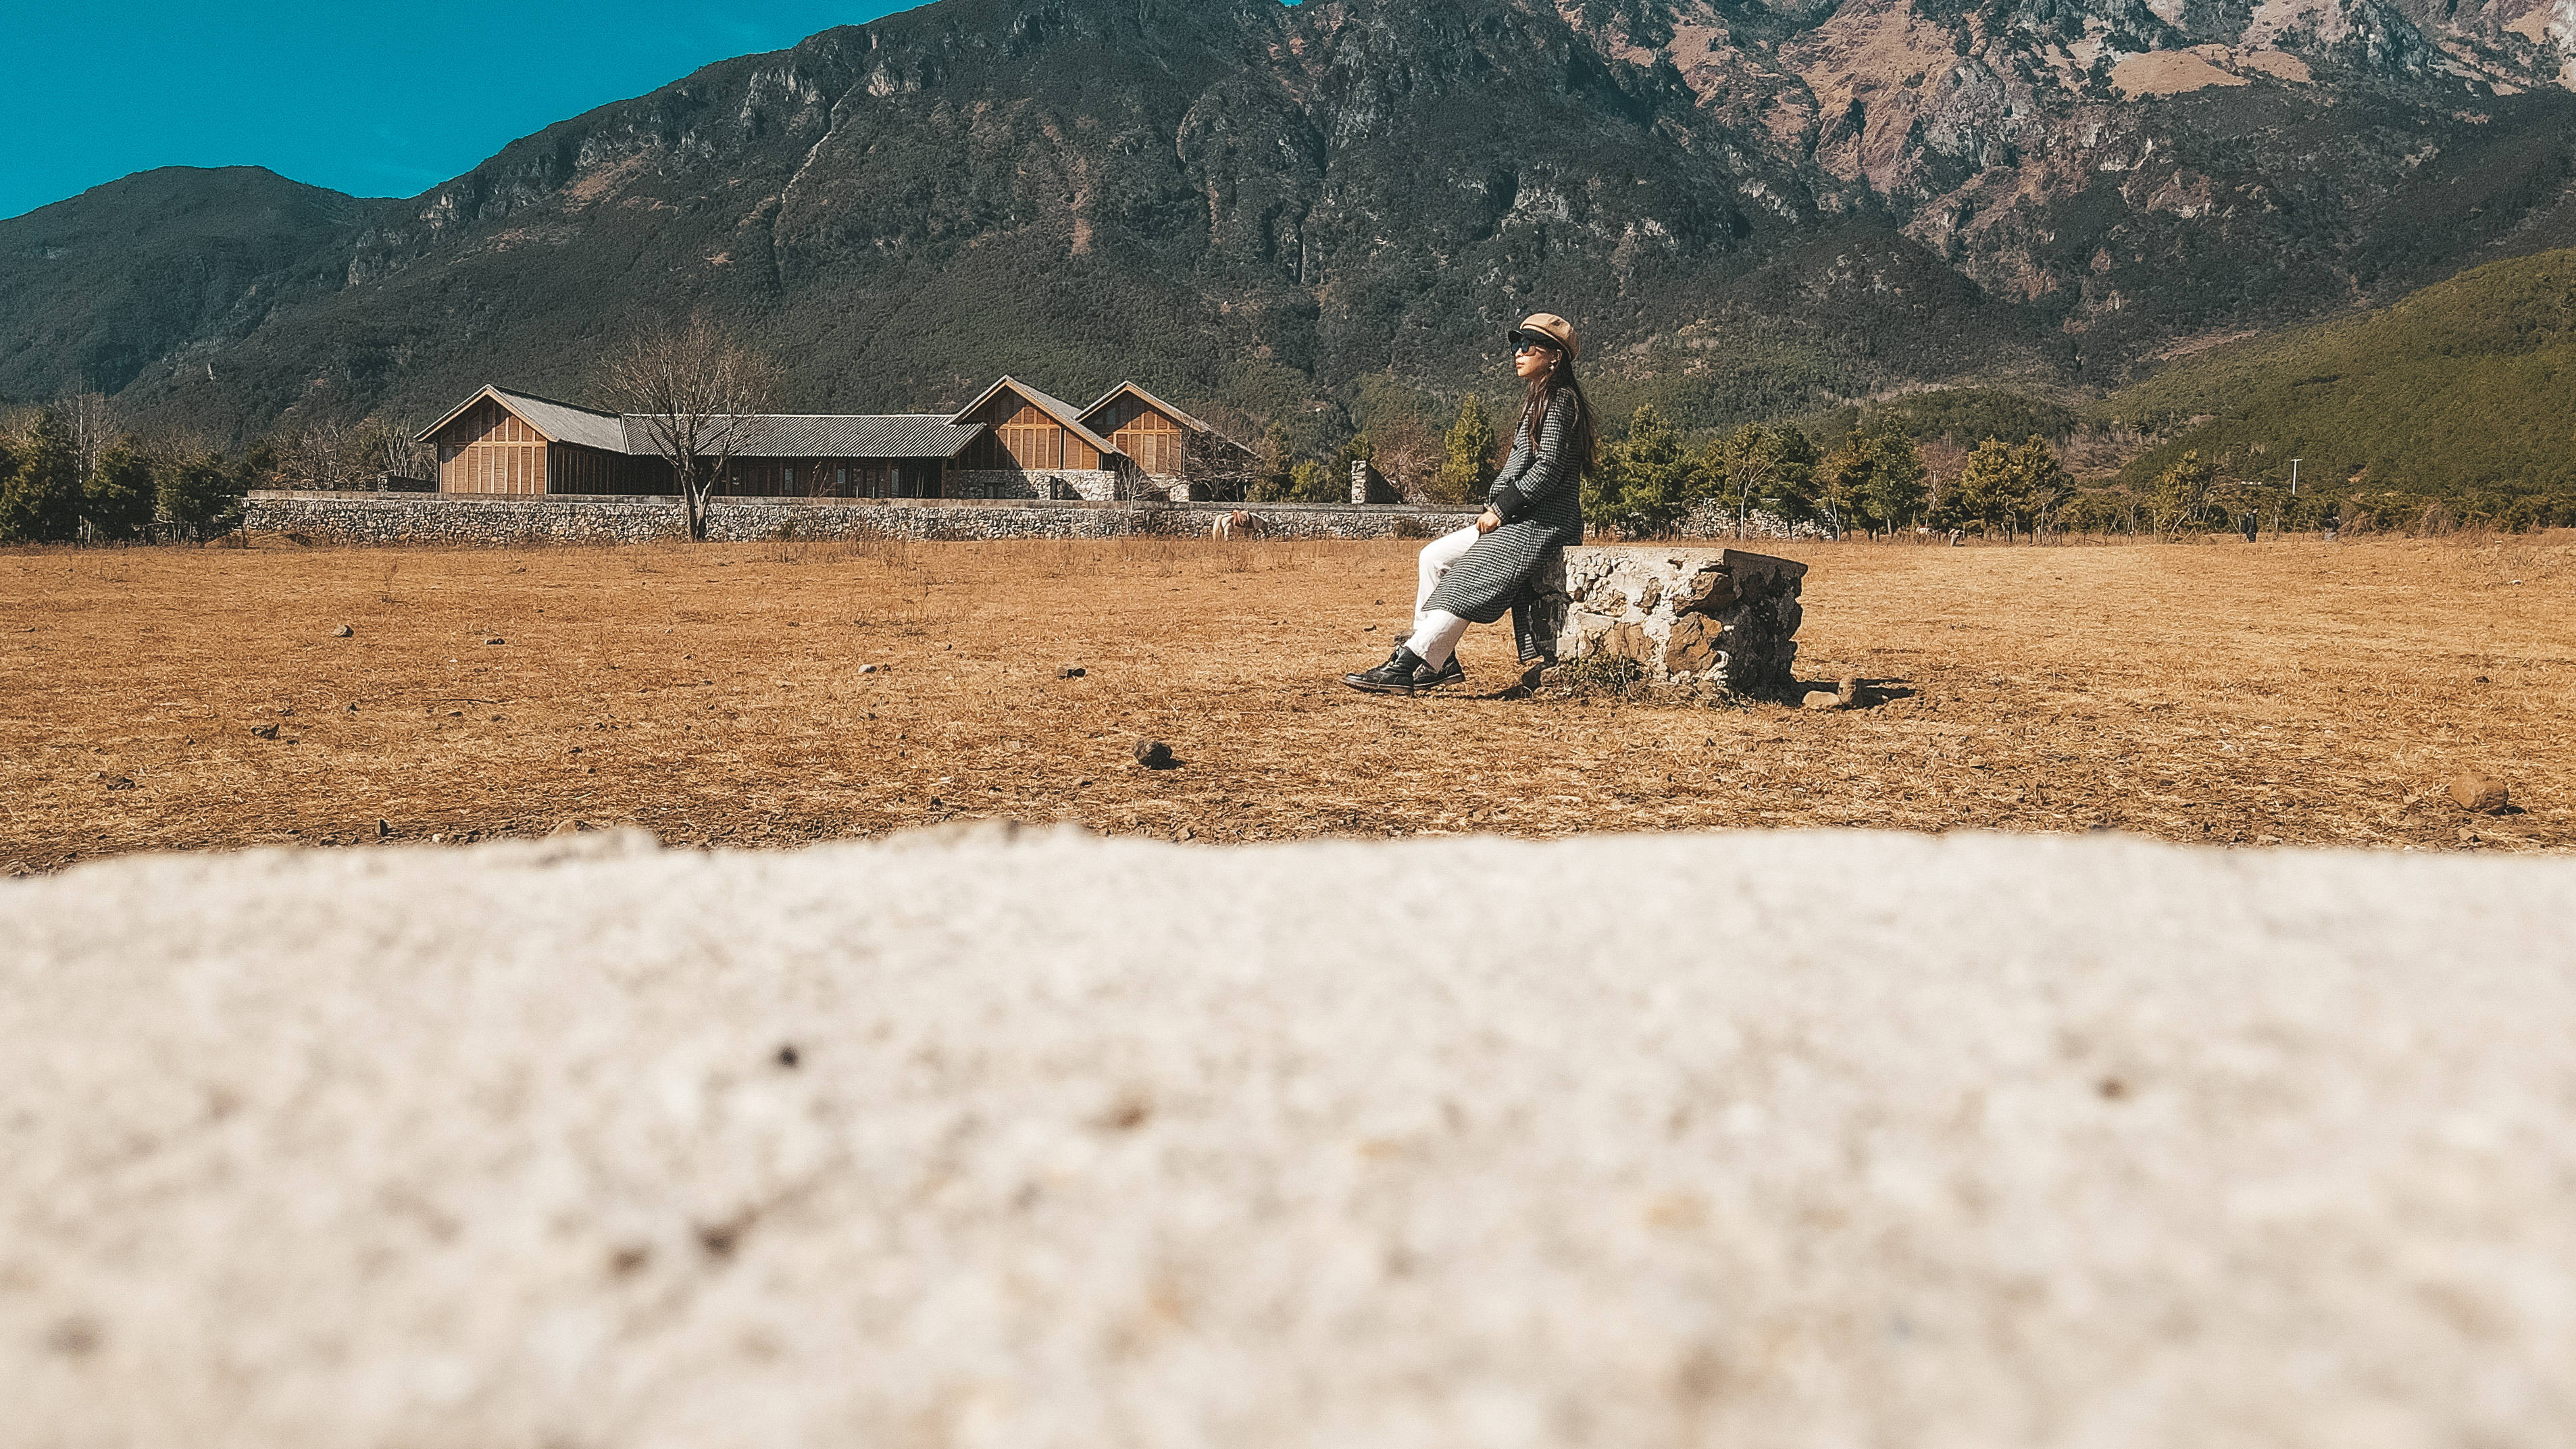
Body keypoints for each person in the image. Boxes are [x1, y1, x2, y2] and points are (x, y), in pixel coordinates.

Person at [1344, 312, 1596, 695]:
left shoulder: (1560, 401)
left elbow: (1548, 469)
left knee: (1467, 578)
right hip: (1523, 520)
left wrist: (1502, 509)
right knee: (1433, 557)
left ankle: (1406, 664)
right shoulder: (1540, 399)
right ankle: (1440, 663)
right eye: (1516, 343)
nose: (1518, 351)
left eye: (1528, 344)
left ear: (1554, 356)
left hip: (1543, 522)